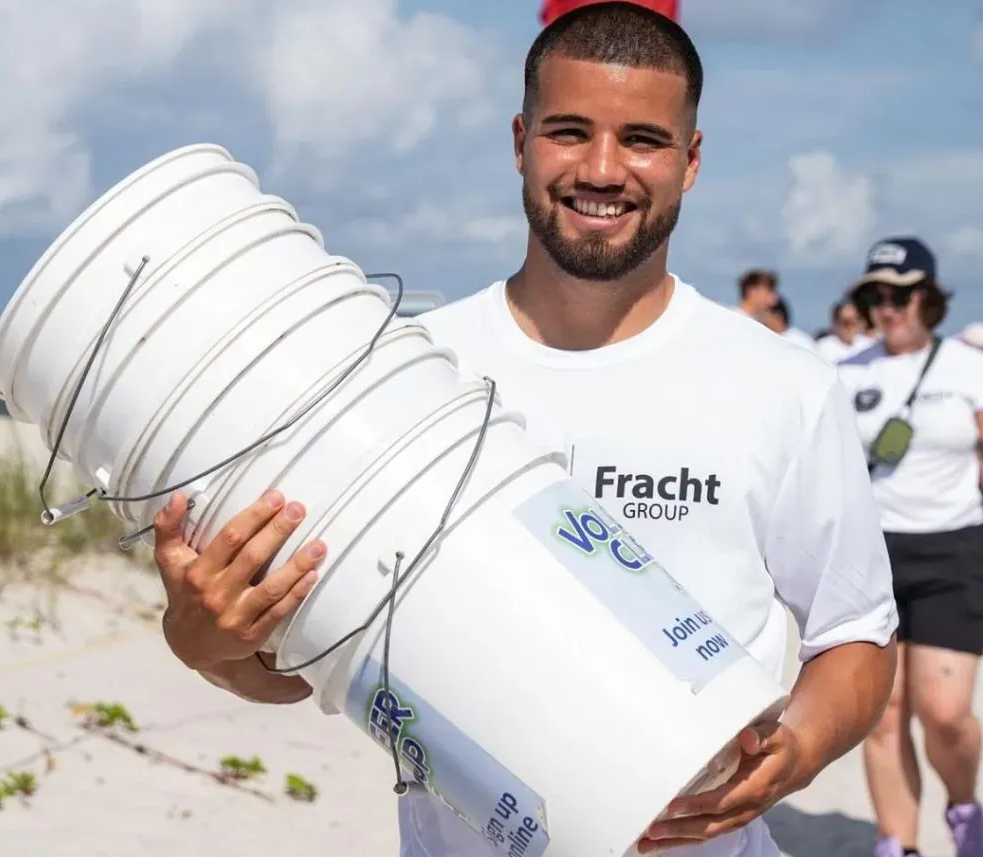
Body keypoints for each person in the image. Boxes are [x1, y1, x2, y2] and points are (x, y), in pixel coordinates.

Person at [150, 6, 898, 857]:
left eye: (644, 139)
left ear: (690, 161)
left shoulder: (783, 386)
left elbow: (856, 636)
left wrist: (797, 748)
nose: (603, 169)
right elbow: (306, 664)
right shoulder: (406, 371)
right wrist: (203, 638)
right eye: (569, 132)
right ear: (520, 140)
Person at [837, 236, 983, 857]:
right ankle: (897, 843)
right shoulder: (843, 372)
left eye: (900, 294)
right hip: (871, 554)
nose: (888, 307)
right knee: (883, 711)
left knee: (944, 712)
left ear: (929, 296)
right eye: (876, 295)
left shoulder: (968, 367)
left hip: (953, 549)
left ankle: (965, 808)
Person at [817, 298, 870, 364]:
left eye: (854, 321)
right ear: (835, 322)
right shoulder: (822, 348)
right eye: (846, 322)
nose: (850, 326)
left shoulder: (868, 345)